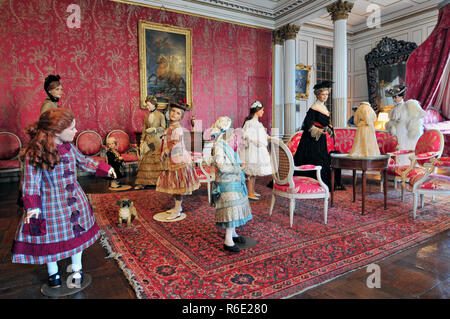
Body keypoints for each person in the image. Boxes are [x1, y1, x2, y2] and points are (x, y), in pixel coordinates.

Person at [11, 108, 116, 289]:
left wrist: (105, 168)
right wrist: (32, 207)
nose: (76, 132)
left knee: (77, 238)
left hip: (75, 202)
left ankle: (76, 270)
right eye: (72, 128)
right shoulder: (35, 153)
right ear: (56, 130)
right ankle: (54, 275)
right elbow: (31, 182)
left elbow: (83, 161)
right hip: (51, 207)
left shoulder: (69, 148)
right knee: (50, 242)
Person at [210, 116, 252, 253]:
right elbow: (222, 167)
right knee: (231, 208)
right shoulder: (218, 146)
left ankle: (233, 234)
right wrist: (238, 168)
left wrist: (240, 165)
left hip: (233, 180)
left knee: (236, 206)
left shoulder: (225, 145)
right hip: (226, 182)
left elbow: (233, 160)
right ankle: (228, 240)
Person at [293, 81, 344, 190]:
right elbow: (307, 125)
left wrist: (328, 128)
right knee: (315, 159)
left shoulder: (324, 108)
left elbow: (324, 123)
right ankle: (310, 182)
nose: (325, 96)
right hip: (311, 141)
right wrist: (318, 130)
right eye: (323, 94)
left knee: (322, 159)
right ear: (317, 95)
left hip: (321, 139)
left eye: (327, 94)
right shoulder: (314, 108)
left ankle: (322, 182)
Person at [156, 102, 200, 220]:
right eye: (173, 111)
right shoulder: (170, 127)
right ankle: (177, 207)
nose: (174, 114)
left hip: (179, 159)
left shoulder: (178, 129)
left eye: (178, 113)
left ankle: (178, 208)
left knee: (178, 184)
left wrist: (165, 151)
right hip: (172, 159)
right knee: (174, 184)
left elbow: (175, 143)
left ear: (181, 117)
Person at [239, 101, 272, 201]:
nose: (263, 112)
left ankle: (252, 191)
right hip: (252, 149)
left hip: (258, 149)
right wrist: (253, 141)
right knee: (250, 172)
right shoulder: (249, 123)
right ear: (257, 110)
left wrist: (270, 138)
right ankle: (249, 192)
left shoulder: (258, 123)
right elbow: (245, 135)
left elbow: (263, 135)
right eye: (262, 110)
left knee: (254, 172)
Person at [384, 84, 426, 165]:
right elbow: (392, 122)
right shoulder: (393, 110)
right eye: (393, 97)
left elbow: (423, 113)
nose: (394, 99)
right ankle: (401, 170)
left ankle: (411, 170)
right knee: (400, 151)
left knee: (409, 150)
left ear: (401, 96)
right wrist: (391, 126)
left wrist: (413, 120)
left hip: (407, 132)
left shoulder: (409, 105)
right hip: (399, 133)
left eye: (396, 97)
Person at [135, 95, 166, 189]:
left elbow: (163, 128)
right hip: (148, 141)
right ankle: (143, 182)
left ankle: (159, 181)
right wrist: (141, 140)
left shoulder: (160, 115)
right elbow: (144, 129)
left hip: (157, 141)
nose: (147, 107)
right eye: (147, 105)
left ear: (153, 104)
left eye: (148, 105)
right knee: (146, 160)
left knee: (156, 160)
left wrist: (155, 129)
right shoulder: (146, 116)